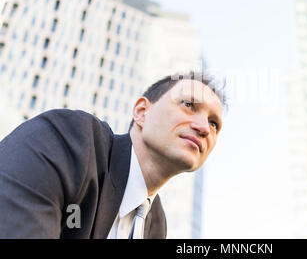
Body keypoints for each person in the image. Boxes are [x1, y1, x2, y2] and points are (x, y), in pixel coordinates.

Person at [0, 71, 225, 238]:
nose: (204, 128)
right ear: (142, 112)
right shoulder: (70, 141)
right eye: (188, 104)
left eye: (214, 123)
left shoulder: (156, 224)